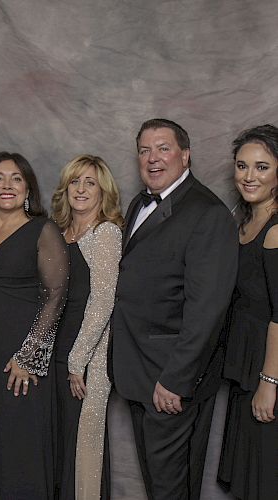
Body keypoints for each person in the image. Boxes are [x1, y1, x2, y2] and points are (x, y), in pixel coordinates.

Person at [110, 118, 238, 500]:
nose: (153, 158)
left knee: (169, 487)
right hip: (138, 369)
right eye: (145, 150)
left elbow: (207, 310)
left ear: (185, 155)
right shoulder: (140, 203)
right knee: (160, 484)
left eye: (163, 148)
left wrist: (176, 380)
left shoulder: (207, 214)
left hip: (170, 379)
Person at [0, 151, 69, 499]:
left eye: (16, 179)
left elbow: (56, 295)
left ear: (28, 189)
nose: (7, 185)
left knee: (21, 449)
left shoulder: (43, 229)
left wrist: (28, 356)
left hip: (22, 361)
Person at [51, 154, 123, 499]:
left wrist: (77, 360)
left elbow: (103, 301)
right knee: (60, 443)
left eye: (90, 182)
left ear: (102, 191)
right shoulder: (58, 233)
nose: (81, 189)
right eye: (75, 182)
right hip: (54, 353)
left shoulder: (105, 233)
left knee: (84, 449)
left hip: (86, 360)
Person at [217, 124, 278, 500]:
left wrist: (269, 385)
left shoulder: (275, 230)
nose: (248, 176)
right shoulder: (244, 223)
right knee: (248, 479)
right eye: (242, 166)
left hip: (268, 370)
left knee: (265, 480)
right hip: (246, 369)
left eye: (261, 167)